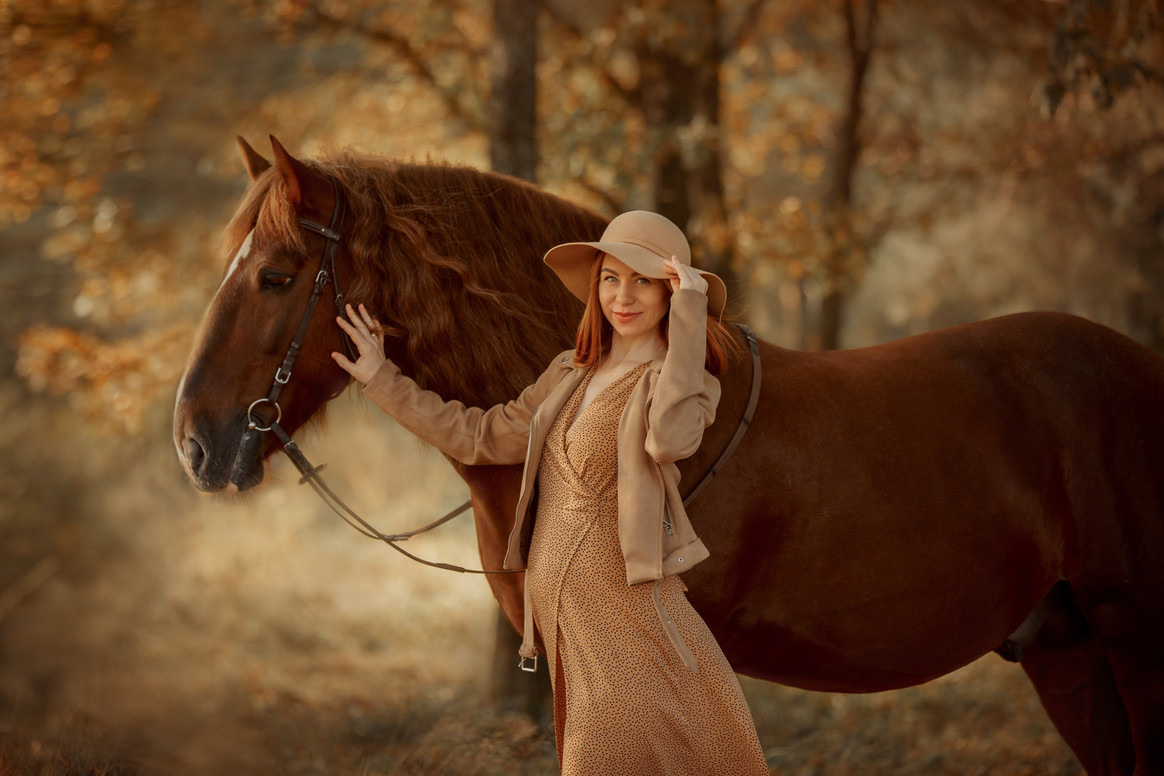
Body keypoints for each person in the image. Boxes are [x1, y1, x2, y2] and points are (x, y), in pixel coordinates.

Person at [332, 211, 768, 775]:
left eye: (643, 280)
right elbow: (479, 436)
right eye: (610, 278)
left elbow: (669, 439)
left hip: (629, 614)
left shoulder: (685, 383)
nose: (623, 297)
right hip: (567, 618)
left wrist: (690, 314)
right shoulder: (569, 372)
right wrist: (380, 378)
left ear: (670, 293)